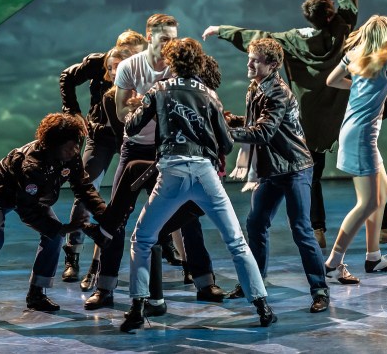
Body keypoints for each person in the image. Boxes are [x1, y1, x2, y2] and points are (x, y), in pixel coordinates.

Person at [203, 0, 387, 251]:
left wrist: (222, 30)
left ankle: (318, 229)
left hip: (313, 113)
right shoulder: (342, 26)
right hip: (347, 107)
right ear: (330, 14)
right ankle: (384, 227)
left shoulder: (291, 40)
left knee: (313, 171)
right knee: (370, 168)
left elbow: (256, 38)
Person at [117, 38, 276, 330]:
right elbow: (226, 144)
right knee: (236, 242)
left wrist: (133, 107)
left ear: (171, 62)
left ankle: (137, 308)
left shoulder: (158, 90)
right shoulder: (210, 95)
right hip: (205, 173)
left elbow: (131, 126)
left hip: (172, 173)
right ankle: (262, 307)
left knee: (142, 239)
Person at [88, 14, 226, 309]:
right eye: (164, 38)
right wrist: (150, 104)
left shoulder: (179, 67)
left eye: (173, 38)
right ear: (149, 37)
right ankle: (105, 287)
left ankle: (204, 281)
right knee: (117, 215)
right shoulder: (130, 66)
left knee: (187, 215)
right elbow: (122, 114)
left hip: (171, 150)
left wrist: (150, 103)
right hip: (136, 148)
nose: (169, 44)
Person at [225, 38, 330, 313]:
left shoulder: (277, 92)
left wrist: (225, 132)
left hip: (295, 168)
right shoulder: (256, 87)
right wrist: (231, 121)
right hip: (272, 170)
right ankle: (254, 283)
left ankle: (320, 290)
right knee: (255, 224)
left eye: (255, 60)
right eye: (249, 58)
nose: (249, 64)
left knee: (301, 230)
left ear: (272, 65)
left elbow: (263, 132)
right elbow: (256, 124)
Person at [0, 113, 107, 323]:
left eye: (76, 146)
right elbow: (28, 211)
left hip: (30, 197)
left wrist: (103, 214)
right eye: (69, 148)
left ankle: (36, 295)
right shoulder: (32, 165)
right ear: (53, 146)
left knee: (54, 236)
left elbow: (83, 187)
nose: (74, 151)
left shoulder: (70, 156)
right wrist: (64, 228)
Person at [323, 16, 387, 282]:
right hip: (361, 138)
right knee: (366, 202)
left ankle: (374, 257)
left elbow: (332, 80)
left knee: (382, 193)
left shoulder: (354, 55)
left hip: (357, 134)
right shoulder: (386, 62)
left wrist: (358, 86)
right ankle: (333, 262)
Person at [59, 45, 131, 288]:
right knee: (85, 191)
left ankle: (168, 247)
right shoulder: (97, 63)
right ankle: (73, 254)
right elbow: (67, 76)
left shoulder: (141, 69)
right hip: (99, 137)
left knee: (143, 194)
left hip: (128, 138)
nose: (115, 70)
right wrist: (72, 111)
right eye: (112, 66)